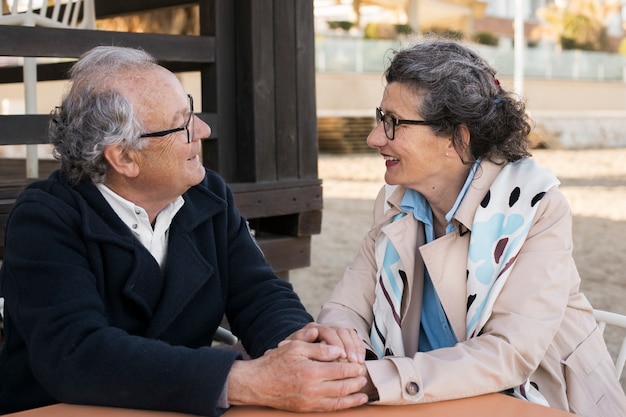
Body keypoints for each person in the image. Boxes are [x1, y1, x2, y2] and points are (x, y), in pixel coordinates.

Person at [0, 45, 369, 416]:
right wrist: (245, 380)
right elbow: (77, 352)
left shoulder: (206, 194)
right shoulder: (46, 218)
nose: (203, 130)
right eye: (182, 123)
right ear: (125, 157)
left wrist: (301, 342)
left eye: (192, 110)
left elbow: (258, 293)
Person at [317, 38, 626, 417]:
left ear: (457, 138)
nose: (375, 137)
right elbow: (347, 307)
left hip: (542, 404)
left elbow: (508, 354)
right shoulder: (395, 202)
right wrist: (339, 352)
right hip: (429, 402)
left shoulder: (535, 207)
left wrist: (378, 379)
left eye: (393, 123)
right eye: (381, 118)